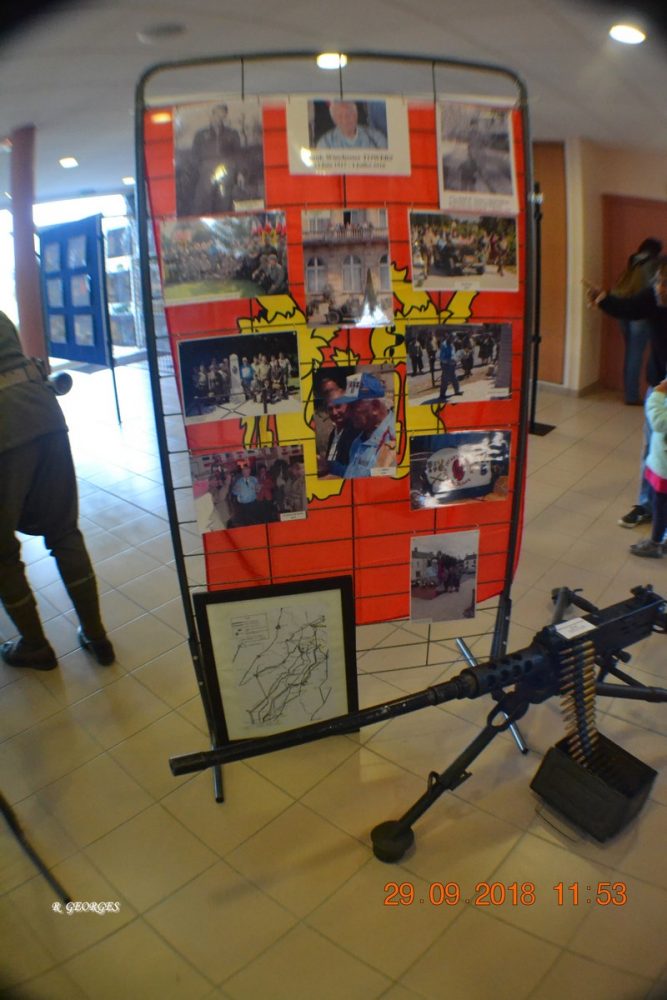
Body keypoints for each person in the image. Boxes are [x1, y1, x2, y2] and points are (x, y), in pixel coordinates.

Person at [0, 311, 114, 669]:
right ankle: (96, 636)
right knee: (64, 531)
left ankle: (35, 646)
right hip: (43, 411)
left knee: (2, 555)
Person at [585, 257, 667, 529]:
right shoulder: (653, 297)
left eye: (665, 283)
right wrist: (604, 299)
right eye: (657, 281)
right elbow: (628, 307)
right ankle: (647, 505)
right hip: (660, 388)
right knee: (652, 450)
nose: (659, 288)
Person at [610, 238, 662, 405]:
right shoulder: (653, 264)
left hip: (624, 308)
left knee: (630, 353)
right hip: (640, 313)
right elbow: (652, 291)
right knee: (635, 354)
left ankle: (629, 391)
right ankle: (631, 396)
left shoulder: (633, 260)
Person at [628, 379, 667, 558]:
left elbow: (659, 421)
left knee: (660, 504)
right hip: (659, 461)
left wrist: (657, 394)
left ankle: (656, 542)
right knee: (658, 500)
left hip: (664, 468)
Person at [338, 372, 397, 477]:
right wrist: (330, 466)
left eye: (353, 407)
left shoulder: (393, 441)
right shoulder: (359, 439)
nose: (348, 413)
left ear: (375, 407)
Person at [190, 104, 242, 215]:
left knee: (224, 205)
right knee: (203, 205)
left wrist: (240, 173)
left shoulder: (232, 134)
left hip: (226, 174)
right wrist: (200, 170)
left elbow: (238, 155)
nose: (219, 118)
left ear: (225, 117)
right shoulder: (200, 135)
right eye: (217, 115)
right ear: (211, 114)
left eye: (222, 116)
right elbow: (194, 155)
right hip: (206, 175)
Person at [316, 101, 387, 150]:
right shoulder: (325, 143)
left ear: (356, 115)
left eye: (349, 115)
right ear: (334, 120)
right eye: (340, 116)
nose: (345, 120)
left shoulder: (377, 138)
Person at [320, 386, 357, 477]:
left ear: (348, 406)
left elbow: (356, 471)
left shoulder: (355, 432)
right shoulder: (333, 433)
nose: (334, 412)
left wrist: (328, 465)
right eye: (330, 409)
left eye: (338, 406)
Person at [438, 335, 463, 402]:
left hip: (452, 364)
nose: (453, 341)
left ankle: (457, 391)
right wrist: (449, 361)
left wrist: (455, 359)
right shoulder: (444, 345)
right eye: (452, 339)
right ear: (449, 338)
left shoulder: (452, 344)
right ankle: (442, 394)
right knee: (445, 380)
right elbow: (442, 358)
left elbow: (453, 354)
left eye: (454, 339)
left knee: (454, 378)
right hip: (446, 365)